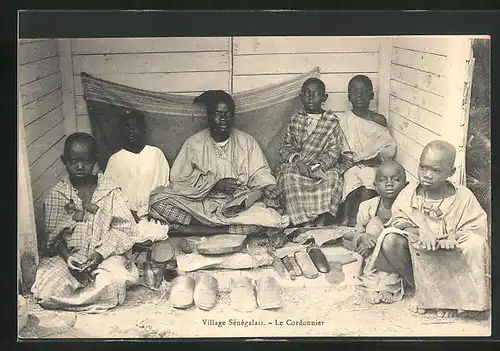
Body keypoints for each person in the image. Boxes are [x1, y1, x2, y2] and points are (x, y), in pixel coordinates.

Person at [370, 140, 490, 318]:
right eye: (424, 167)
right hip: (420, 256)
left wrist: (452, 238)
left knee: (476, 243)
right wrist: (421, 232)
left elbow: (476, 227)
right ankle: (424, 292)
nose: (427, 175)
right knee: (390, 238)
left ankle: (450, 298)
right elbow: (399, 220)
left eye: (436, 170)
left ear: (451, 172)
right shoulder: (409, 192)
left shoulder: (463, 196)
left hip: (451, 258)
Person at [149, 90, 287, 236]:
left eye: (227, 114)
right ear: (209, 117)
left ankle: (202, 230)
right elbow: (178, 180)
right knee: (158, 201)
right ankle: (220, 229)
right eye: (218, 114)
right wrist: (214, 184)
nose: (223, 119)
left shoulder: (246, 141)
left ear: (233, 116)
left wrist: (266, 186)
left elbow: (259, 171)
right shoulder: (194, 143)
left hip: (236, 204)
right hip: (202, 202)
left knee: (267, 221)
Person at [31, 133, 140, 313]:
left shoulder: (109, 189)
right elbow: (53, 238)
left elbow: (125, 229)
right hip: (69, 259)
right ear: (64, 161)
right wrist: (67, 258)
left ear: (95, 159)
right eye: (73, 162)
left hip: (105, 257)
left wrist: (100, 254)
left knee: (113, 282)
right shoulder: (58, 194)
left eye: (86, 161)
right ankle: (92, 297)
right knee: (46, 291)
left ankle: (80, 296)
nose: (80, 167)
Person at [276, 78, 345, 227]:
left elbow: (334, 149)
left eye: (317, 94)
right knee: (288, 176)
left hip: (320, 168)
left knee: (333, 177)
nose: (311, 97)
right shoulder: (295, 120)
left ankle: (321, 220)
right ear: (301, 97)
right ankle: (304, 222)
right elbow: (285, 147)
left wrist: (319, 166)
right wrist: (298, 162)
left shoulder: (331, 121)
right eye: (307, 93)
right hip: (299, 166)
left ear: (324, 98)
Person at [342, 161, 408, 304]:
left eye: (396, 180)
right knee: (373, 225)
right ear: (375, 186)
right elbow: (357, 232)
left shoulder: (406, 208)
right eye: (383, 180)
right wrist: (363, 238)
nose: (389, 184)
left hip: (394, 254)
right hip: (371, 253)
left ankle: (389, 288)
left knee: (386, 235)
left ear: (406, 185)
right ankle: (372, 285)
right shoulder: (367, 206)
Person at [337, 75, 397, 227]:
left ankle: (362, 221)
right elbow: (337, 145)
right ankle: (347, 220)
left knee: (369, 186)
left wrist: (377, 157)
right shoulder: (342, 119)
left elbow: (389, 146)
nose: (359, 96)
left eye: (364, 92)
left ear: (371, 96)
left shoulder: (378, 120)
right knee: (351, 182)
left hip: (372, 165)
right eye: (355, 92)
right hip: (350, 166)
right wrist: (344, 158)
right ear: (348, 96)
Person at [104, 110, 170, 244]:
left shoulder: (155, 154)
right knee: (119, 234)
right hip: (126, 218)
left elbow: (165, 187)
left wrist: (153, 211)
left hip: (153, 216)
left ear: (144, 129)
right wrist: (127, 213)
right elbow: (109, 195)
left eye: (135, 126)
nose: (131, 131)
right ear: (121, 131)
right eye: (126, 127)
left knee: (158, 231)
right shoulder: (115, 159)